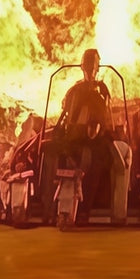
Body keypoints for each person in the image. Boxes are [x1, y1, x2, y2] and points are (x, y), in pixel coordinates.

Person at [41, 48, 114, 225]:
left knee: (96, 162)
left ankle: (80, 209)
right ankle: (53, 208)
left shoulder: (100, 90)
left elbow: (102, 119)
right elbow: (68, 114)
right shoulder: (76, 90)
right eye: (89, 64)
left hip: (90, 141)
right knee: (51, 154)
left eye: (93, 64)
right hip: (76, 140)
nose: (91, 69)